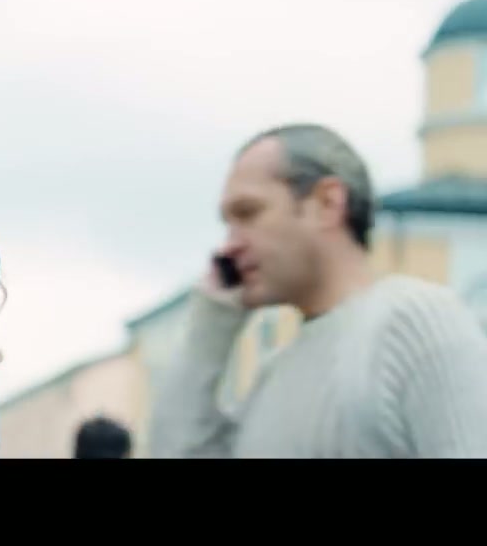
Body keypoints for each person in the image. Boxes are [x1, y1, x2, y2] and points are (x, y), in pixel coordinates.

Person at [150, 124, 487, 458]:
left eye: (248, 213)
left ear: (327, 203)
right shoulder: (272, 377)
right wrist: (212, 320)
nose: (229, 246)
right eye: (228, 223)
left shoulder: (416, 322)